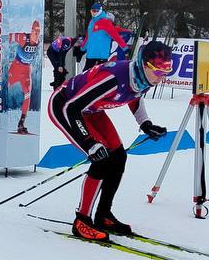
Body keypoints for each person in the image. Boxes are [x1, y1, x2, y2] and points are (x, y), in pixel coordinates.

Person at [47, 40, 174, 242]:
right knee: (101, 160)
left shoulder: (142, 77)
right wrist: (89, 142)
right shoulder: (112, 78)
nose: (161, 78)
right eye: (158, 72)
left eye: (166, 72)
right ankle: (82, 221)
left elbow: (135, 95)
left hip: (90, 109)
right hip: (65, 107)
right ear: (144, 64)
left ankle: (103, 214)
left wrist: (145, 124)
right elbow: (72, 108)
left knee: (118, 157)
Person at [6, 19, 42, 135]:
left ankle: (21, 123)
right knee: (4, 89)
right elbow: (9, 37)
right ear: (31, 31)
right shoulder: (23, 37)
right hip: (15, 68)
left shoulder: (38, 41)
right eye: (35, 33)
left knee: (28, 94)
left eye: (38, 33)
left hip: (26, 70)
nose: (36, 35)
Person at [79, 2, 128, 71]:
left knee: (99, 76)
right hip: (90, 55)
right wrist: (82, 48)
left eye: (95, 11)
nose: (93, 13)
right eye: (92, 11)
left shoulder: (105, 22)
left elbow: (115, 36)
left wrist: (125, 47)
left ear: (100, 11)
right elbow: (88, 37)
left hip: (101, 55)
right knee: (85, 76)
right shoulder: (91, 22)